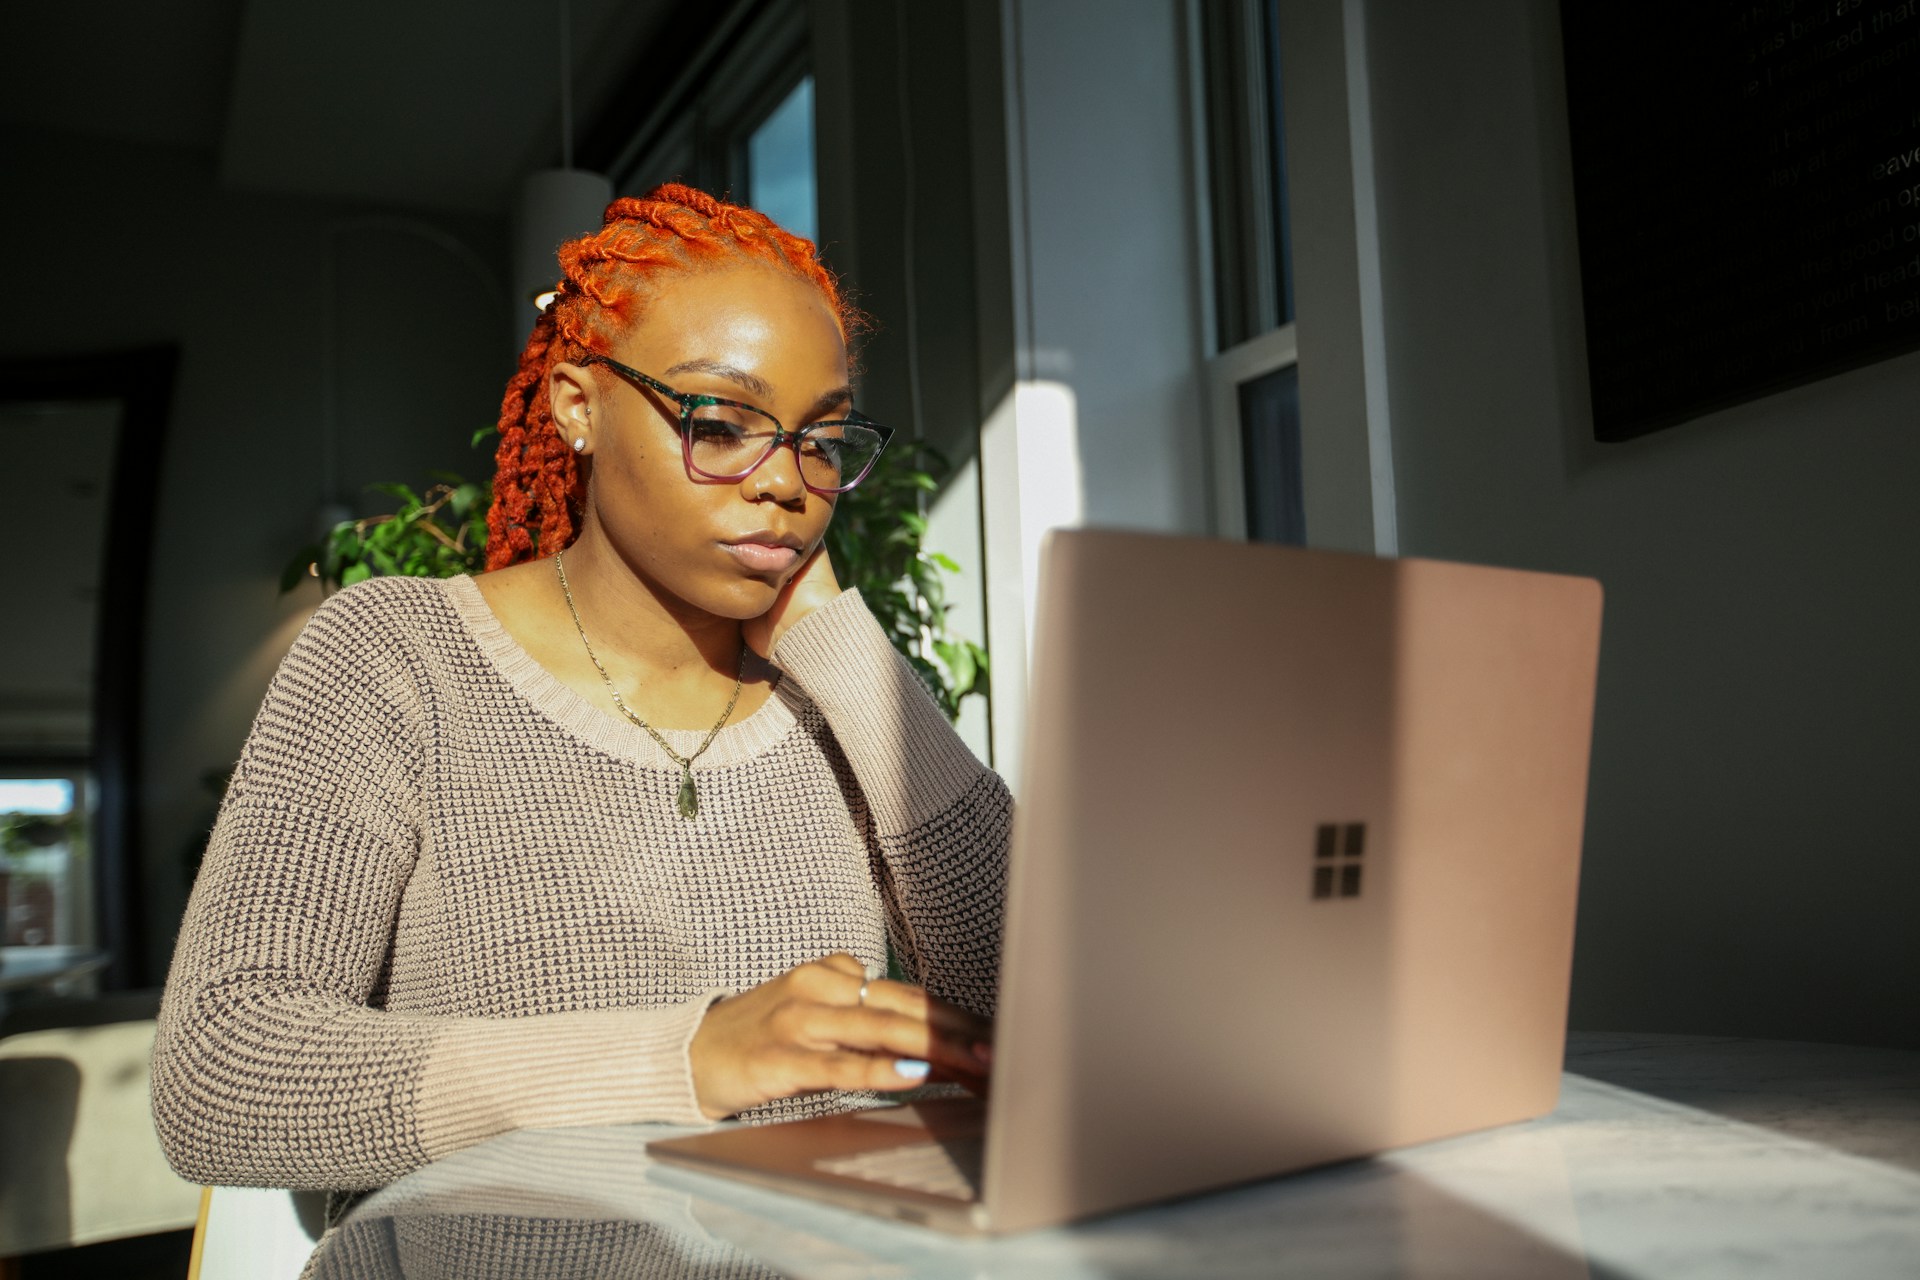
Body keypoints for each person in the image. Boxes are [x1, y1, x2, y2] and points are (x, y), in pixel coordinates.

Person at [149, 184, 1011, 1196]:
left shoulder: (834, 698)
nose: (785, 482)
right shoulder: (398, 657)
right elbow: (221, 1074)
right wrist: (687, 1059)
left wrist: (843, 644)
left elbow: (1037, 1015)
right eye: (721, 423)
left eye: (818, 439)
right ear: (577, 405)